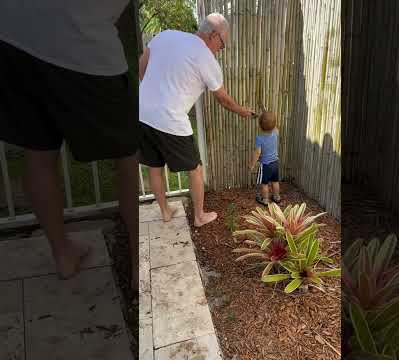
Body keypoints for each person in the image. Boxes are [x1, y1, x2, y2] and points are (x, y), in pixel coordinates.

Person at [0, 1, 139, 288]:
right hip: (79, 33)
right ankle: (141, 268)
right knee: (131, 156)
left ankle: (63, 256)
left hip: (11, 32)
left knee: (38, 152)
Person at [139, 13, 254, 227]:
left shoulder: (166, 35)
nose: (220, 50)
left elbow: (142, 63)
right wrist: (242, 111)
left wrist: (151, 94)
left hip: (142, 113)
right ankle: (200, 216)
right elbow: (223, 99)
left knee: (154, 165)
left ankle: (165, 211)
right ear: (213, 35)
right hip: (169, 118)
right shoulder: (205, 58)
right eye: (222, 44)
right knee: (196, 167)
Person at [249, 111, 281, 206]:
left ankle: (265, 199)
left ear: (260, 126)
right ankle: (277, 197)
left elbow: (258, 152)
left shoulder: (260, 138)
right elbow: (275, 127)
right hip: (275, 163)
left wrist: (252, 164)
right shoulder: (276, 133)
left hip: (266, 165)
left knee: (265, 183)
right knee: (275, 182)